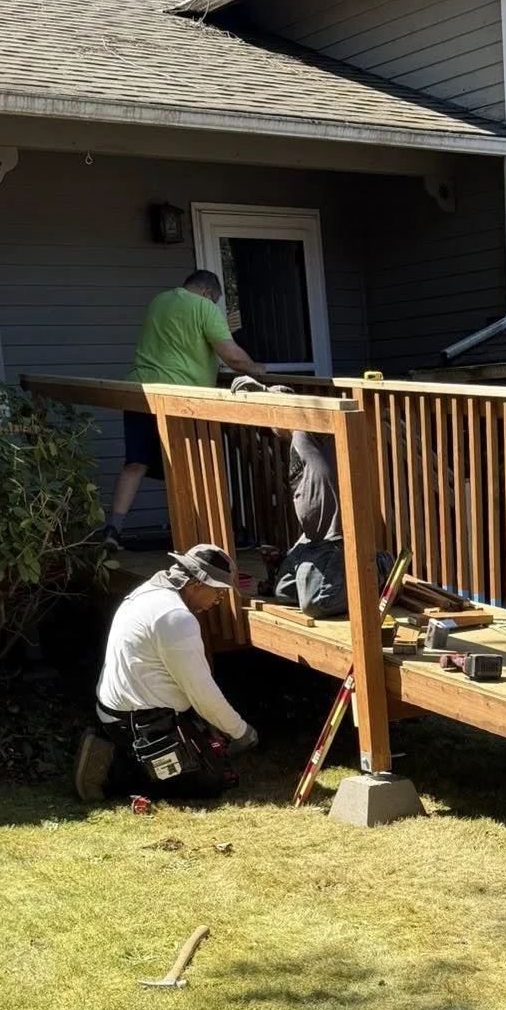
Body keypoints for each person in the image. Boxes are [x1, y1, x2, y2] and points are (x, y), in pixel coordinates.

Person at [73, 543, 260, 804]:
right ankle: (114, 769)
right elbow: (203, 693)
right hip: (141, 723)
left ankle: (111, 743)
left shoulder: (149, 591)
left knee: (205, 751)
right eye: (218, 593)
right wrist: (241, 732)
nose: (218, 601)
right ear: (196, 583)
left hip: (116, 711)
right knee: (209, 781)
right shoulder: (175, 618)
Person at [99, 270, 275, 546]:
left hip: (140, 393)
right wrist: (256, 368)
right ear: (207, 292)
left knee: (136, 463)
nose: (214, 305)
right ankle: (203, 535)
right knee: (192, 466)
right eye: (215, 300)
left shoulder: (159, 301)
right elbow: (233, 357)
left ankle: (113, 529)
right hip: (181, 399)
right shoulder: (204, 308)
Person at [271, 430, 349, 615]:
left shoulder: (307, 433)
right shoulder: (298, 440)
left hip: (333, 538)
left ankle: (379, 568)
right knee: (284, 591)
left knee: (314, 604)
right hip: (311, 538)